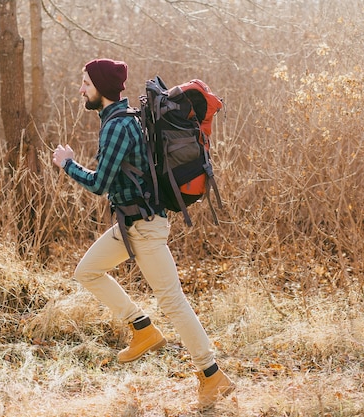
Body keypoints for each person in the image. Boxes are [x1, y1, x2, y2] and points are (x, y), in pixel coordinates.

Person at [52, 58, 235, 410]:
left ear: (101, 89)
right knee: (87, 271)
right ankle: (142, 329)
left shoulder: (117, 126)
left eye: (85, 83)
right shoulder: (119, 120)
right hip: (131, 226)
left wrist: (67, 164)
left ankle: (212, 375)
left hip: (145, 228)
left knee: (173, 301)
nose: (81, 89)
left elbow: (99, 183)